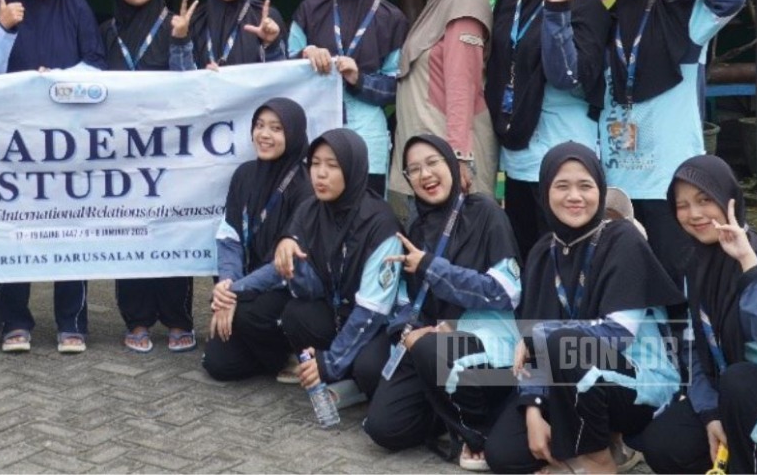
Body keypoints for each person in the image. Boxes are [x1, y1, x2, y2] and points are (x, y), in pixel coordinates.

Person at [484, 143, 683, 475]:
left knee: (562, 346)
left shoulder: (622, 238)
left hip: (631, 382)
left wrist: (543, 338)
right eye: (562, 186)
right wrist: (533, 407)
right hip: (565, 380)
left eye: (585, 186)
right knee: (506, 454)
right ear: (546, 190)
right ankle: (594, 446)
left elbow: (617, 335)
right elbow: (532, 342)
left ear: (600, 190)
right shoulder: (541, 252)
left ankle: (598, 459)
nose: (574, 196)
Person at [631, 156, 757, 475]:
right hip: (747, 404)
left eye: (705, 200)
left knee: (740, 381)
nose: (694, 214)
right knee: (665, 443)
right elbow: (698, 351)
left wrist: (747, 265)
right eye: (682, 205)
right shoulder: (695, 269)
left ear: (730, 201)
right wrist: (711, 413)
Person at [584, 0, 747, 280]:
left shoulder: (683, 15)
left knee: (677, 283)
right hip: (618, 188)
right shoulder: (607, 24)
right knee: (626, 283)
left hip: (672, 184)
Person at [362, 135, 521, 470]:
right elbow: (404, 296)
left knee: (432, 350)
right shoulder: (415, 224)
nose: (425, 175)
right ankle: (445, 414)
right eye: (414, 169)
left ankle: (476, 430)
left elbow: (505, 292)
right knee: (384, 428)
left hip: (486, 340)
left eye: (433, 162)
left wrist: (432, 267)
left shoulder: (486, 214)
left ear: (451, 163)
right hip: (431, 342)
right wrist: (410, 331)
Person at [0, 0, 104, 353]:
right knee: (17, 231)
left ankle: (72, 322)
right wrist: (3, 28)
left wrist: (63, 80)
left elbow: (97, 63)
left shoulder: (77, 7)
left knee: (70, 230)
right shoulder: (4, 11)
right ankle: (15, 322)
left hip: (68, 144)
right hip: (15, 144)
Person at [487, 0, 610, 253]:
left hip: (564, 152)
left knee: (565, 251)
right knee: (526, 251)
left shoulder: (585, 5)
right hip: (518, 148)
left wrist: (557, 12)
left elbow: (567, 77)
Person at [100, 0, 196, 355]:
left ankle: (177, 318)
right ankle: (136, 317)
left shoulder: (178, 24)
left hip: (169, 152)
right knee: (129, 230)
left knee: (173, 230)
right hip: (123, 154)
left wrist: (180, 42)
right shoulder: (106, 31)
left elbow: (194, 88)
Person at [272, 127, 404, 400]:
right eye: (315, 164)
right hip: (337, 313)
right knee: (295, 314)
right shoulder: (311, 208)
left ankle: (350, 381)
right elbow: (290, 246)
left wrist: (329, 363)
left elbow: (371, 312)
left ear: (353, 169)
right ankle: (342, 375)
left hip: (377, 325)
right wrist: (234, 289)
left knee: (369, 368)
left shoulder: (380, 223)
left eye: (332, 166)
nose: (320, 174)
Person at [290, 0, 408, 197]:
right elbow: (284, 67)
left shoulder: (391, 19)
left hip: (367, 135)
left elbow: (397, 87)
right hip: (317, 129)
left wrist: (360, 79)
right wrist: (305, 55)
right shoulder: (310, 9)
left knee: (366, 212)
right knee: (317, 208)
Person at [202, 98, 312, 382]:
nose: (264, 134)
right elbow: (230, 237)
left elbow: (288, 263)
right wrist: (227, 283)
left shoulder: (306, 186)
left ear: (294, 133)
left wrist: (235, 292)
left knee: (247, 316)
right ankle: (272, 357)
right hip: (245, 288)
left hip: (286, 288)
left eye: (276, 128)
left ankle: (290, 352)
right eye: (259, 126)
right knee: (218, 364)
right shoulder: (244, 175)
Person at [393, 0, 495, 201]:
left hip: (445, 158)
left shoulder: (465, 6)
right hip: (429, 151)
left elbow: (463, 86)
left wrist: (460, 157)